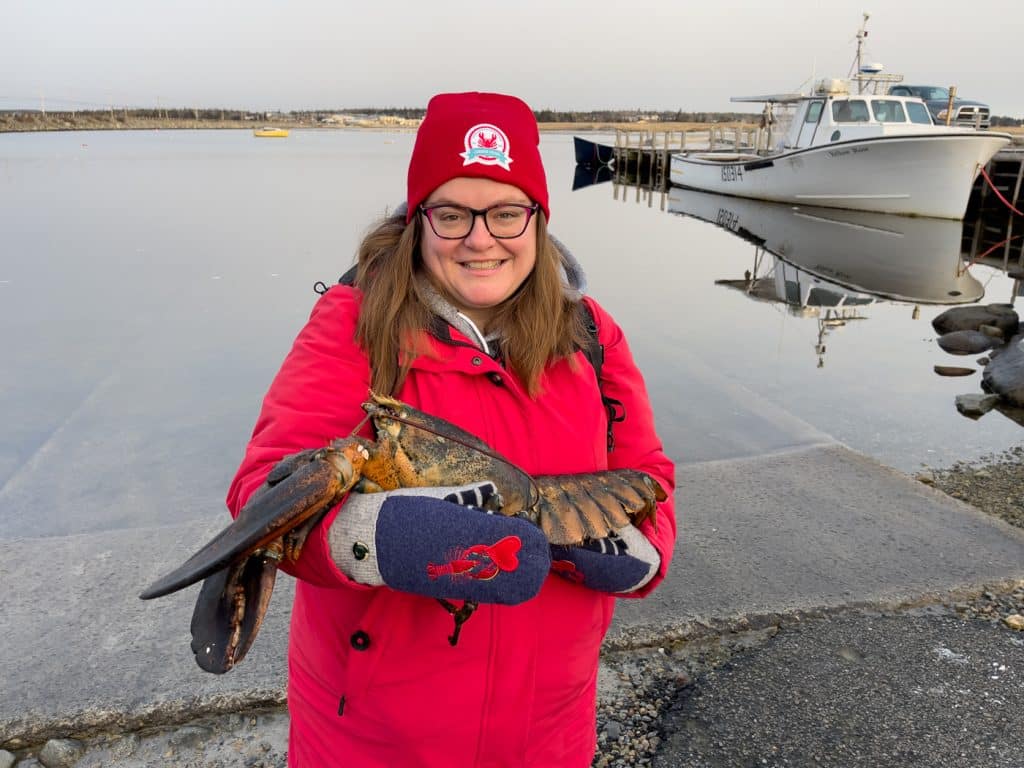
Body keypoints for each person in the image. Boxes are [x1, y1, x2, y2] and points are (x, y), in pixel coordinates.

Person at [226, 91, 677, 768]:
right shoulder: (355, 325)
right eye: (452, 214)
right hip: (375, 737)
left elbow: (650, 477)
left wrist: (644, 555)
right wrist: (371, 540)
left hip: (547, 728)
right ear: (418, 222)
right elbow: (260, 490)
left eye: (504, 212)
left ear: (538, 219)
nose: (479, 237)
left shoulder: (591, 335)